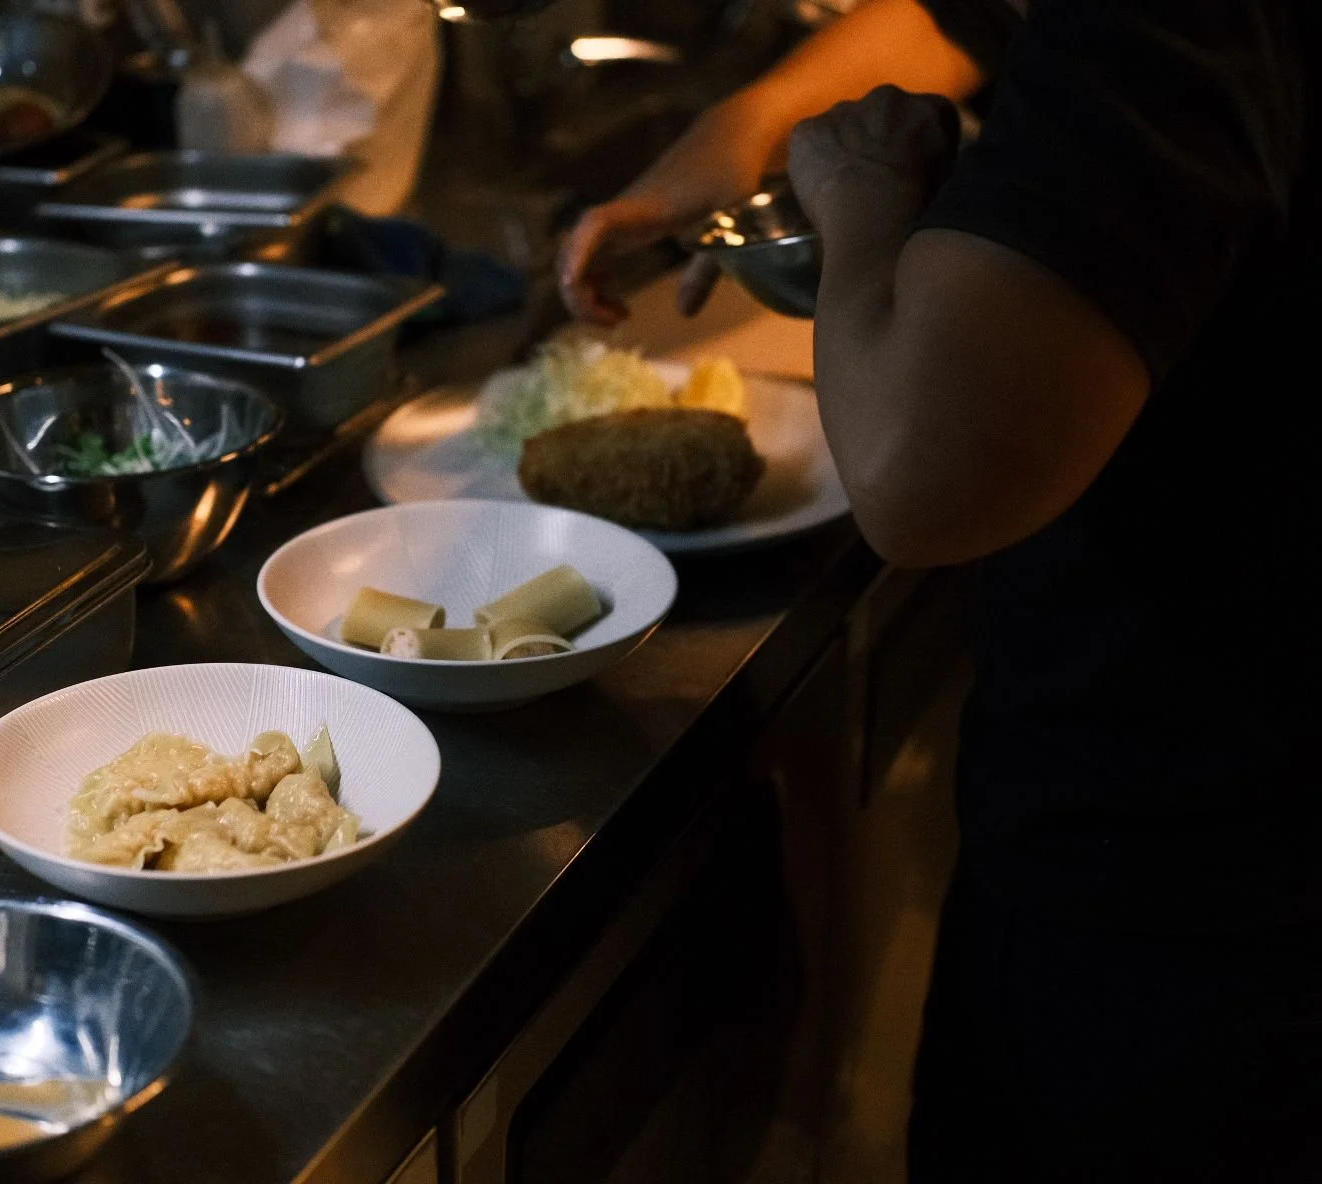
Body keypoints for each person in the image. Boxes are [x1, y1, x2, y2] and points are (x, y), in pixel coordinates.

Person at [561, 1, 1322, 1180]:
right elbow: (971, 16)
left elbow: (922, 478)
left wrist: (860, 194)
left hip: (1196, 874)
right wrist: (755, 117)